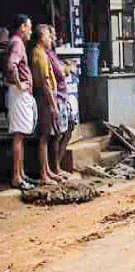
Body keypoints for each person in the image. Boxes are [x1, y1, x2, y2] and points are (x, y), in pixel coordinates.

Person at [5, 15, 37, 189]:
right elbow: (12, 65)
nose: (31, 31)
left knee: (21, 135)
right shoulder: (17, 43)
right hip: (18, 93)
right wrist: (19, 83)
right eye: (29, 27)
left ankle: (21, 174)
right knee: (18, 136)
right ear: (23, 27)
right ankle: (17, 177)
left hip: (19, 93)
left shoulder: (16, 42)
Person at [30, 24, 63, 185]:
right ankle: (44, 174)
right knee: (44, 137)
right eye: (48, 36)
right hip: (44, 98)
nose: (51, 39)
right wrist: (53, 104)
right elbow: (45, 83)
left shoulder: (42, 53)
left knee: (49, 135)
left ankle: (48, 170)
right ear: (41, 37)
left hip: (46, 97)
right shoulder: (39, 55)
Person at [46, 25, 76, 180]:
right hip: (57, 96)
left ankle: (58, 165)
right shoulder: (46, 55)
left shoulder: (53, 53)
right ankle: (55, 167)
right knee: (58, 133)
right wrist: (67, 69)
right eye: (51, 36)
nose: (54, 38)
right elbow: (60, 72)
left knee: (68, 129)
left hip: (64, 95)